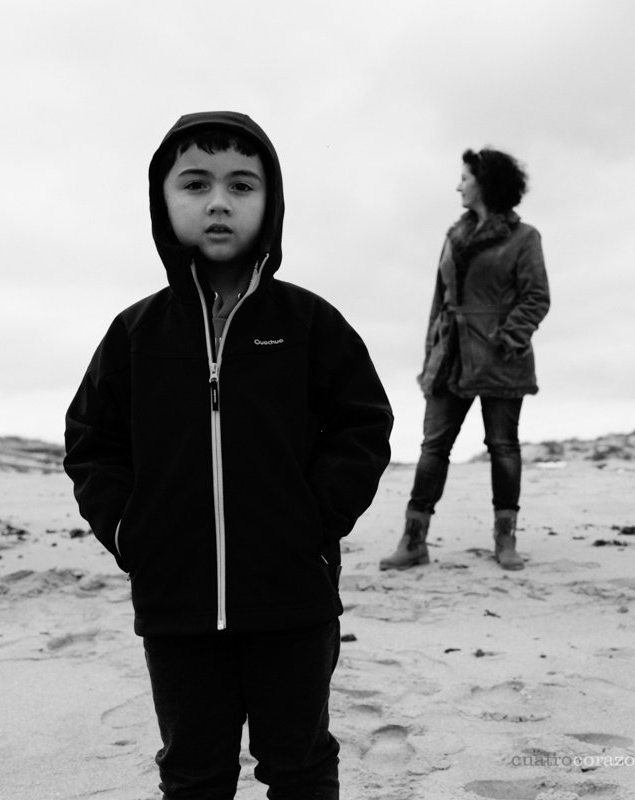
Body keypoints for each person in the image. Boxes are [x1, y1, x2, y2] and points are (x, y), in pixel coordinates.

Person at [63, 111, 394, 799]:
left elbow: (363, 423)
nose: (219, 201)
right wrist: (128, 530)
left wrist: (316, 518)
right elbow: (93, 440)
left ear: (271, 204)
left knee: (298, 762)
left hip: (293, 598)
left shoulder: (308, 323)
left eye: (243, 185)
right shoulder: (135, 333)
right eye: (195, 183)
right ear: (162, 199)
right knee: (192, 771)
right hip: (176, 602)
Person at [380, 147, 550, 573]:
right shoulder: (453, 236)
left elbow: (536, 297)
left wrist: (506, 337)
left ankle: (505, 539)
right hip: (451, 356)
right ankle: (413, 540)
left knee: (503, 446)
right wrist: (430, 357)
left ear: (485, 182)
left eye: (464, 177)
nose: (458, 184)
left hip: (500, 359)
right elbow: (439, 303)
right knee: (433, 447)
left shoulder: (524, 237)